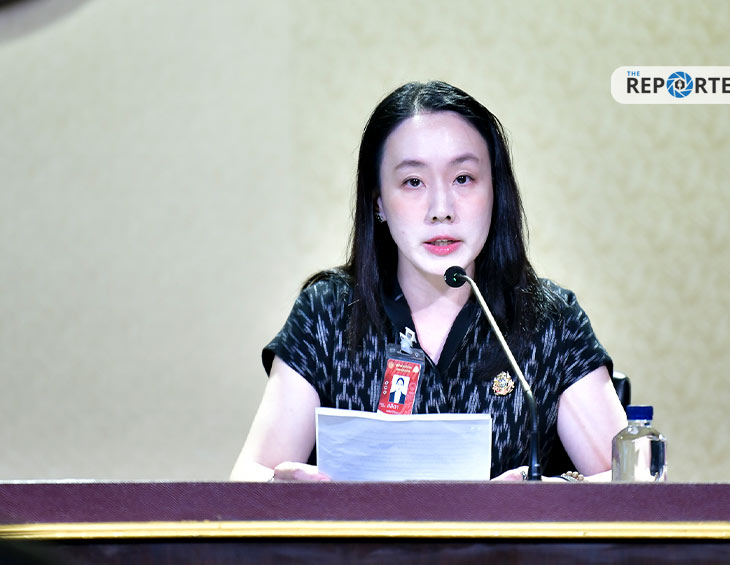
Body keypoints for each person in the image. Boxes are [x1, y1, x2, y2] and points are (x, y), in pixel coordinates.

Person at [230, 81, 626, 482]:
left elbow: (630, 481)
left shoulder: (548, 320)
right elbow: (248, 475)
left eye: (463, 178)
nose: (441, 210)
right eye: (413, 182)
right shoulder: (328, 313)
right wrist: (278, 489)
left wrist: (546, 493)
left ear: (496, 191)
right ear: (378, 201)